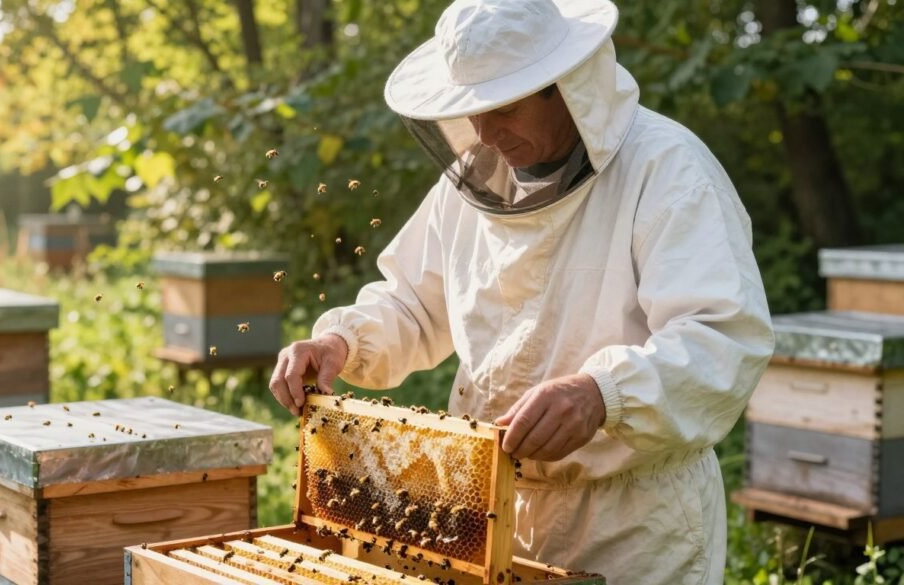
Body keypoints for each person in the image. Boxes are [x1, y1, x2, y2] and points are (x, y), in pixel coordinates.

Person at [269, 0, 775, 583]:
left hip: (633, 525)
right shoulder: (477, 178)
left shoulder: (669, 171)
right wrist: (342, 342)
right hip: (491, 509)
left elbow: (722, 337)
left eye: (503, 108)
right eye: (473, 111)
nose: (484, 133)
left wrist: (602, 395)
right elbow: (413, 302)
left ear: (565, 88)